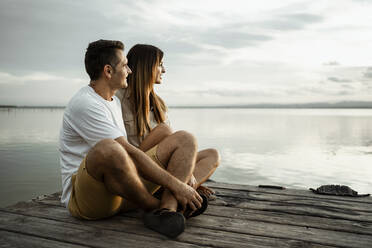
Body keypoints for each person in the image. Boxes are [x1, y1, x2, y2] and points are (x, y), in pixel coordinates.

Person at [59, 40, 204, 238]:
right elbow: (128, 152)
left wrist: (179, 183)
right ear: (108, 71)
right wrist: (177, 186)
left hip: (119, 192)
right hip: (86, 201)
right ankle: (154, 208)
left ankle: (168, 211)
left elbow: (129, 158)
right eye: (125, 65)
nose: (129, 70)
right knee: (109, 149)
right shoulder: (86, 103)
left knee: (186, 139)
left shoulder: (112, 102)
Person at [116, 44, 220, 200]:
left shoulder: (158, 104)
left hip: (160, 163)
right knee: (165, 130)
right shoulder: (117, 98)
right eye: (160, 64)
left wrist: (188, 170)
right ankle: (179, 191)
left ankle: (181, 189)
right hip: (136, 167)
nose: (164, 70)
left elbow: (171, 144)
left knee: (212, 155)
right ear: (147, 66)